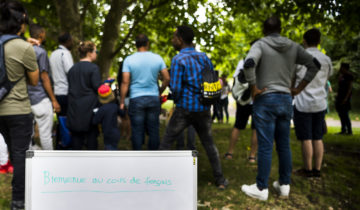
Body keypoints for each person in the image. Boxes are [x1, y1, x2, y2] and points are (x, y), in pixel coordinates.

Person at [240, 16, 320, 200]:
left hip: (265, 98)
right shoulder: (293, 46)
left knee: (266, 145)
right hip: (285, 98)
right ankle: (284, 185)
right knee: (284, 145)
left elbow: (249, 63)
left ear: (263, 30)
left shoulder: (260, 44)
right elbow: (314, 65)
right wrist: (298, 89)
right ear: (281, 29)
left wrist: (254, 87)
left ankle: (261, 188)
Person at [159, 25, 228, 190]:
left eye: (174, 37)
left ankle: (156, 175)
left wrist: (171, 96)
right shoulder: (203, 57)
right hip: (203, 108)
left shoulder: (178, 60)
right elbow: (211, 80)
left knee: (167, 141)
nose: (172, 40)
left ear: (180, 39)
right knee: (209, 144)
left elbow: (175, 88)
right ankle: (220, 180)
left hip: (184, 109)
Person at [0, 1, 39, 209]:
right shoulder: (24, 47)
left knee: (12, 152)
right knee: (21, 156)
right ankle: (18, 201)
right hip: (19, 111)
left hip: (1, 111)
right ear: (21, 22)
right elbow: (34, 80)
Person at [293, 28, 333, 178]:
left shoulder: (299, 58)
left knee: (306, 138)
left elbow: (292, 78)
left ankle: (307, 169)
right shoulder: (326, 59)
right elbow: (327, 79)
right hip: (320, 103)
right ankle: (317, 169)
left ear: (304, 41)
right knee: (318, 137)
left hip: (302, 102)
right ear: (319, 41)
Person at [120, 34, 170, 150]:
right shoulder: (157, 58)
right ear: (147, 44)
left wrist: (122, 101)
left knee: (137, 130)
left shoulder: (129, 60)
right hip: (153, 98)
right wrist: (159, 91)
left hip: (136, 99)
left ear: (135, 45)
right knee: (153, 130)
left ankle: (138, 159)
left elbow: (125, 82)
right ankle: (152, 159)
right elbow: (167, 78)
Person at [28, 24, 60, 150]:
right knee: (46, 136)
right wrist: (53, 100)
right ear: (41, 34)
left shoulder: (24, 50)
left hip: (26, 99)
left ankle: (30, 164)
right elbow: (44, 77)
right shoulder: (40, 52)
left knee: (28, 137)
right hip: (41, 98)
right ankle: (50, 165)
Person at [67, 41, 101, 150]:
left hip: (74, 109)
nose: (96, 53)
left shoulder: (72, 69)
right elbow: (97, 88)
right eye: (96, 51)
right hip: (89, 110)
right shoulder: (93, 68)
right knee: (91, 141)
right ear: (90, 53)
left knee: (76, 142)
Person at [224, 58, 257, 163]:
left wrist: (237, 96)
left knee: (237, 126)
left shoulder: (243, 61)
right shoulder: (264, 61)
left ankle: (230, 153)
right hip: (257, 99)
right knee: (256, 128)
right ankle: (252, 156)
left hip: (243, 100)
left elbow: (236, 80)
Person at [49, 32, 73, 148]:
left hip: (57, 92)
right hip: (66, 92)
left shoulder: (53, 54)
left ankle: (59, 144)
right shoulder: (65, 53)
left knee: (60, 121)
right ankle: (66, 145)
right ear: (67, 41)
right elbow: (71, 72)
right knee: (67, 121)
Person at [93, 84, 125, 150]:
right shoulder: (114, 106)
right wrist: (121, 107)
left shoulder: (101, 109)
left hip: (107, 133)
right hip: (116, 133)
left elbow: (95, 121)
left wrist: (95, 113)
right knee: (114, 147)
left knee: (109, 149)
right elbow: (122, 114)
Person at [335, 63, 353, 135]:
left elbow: (350, 88)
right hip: (339, 97)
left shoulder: (349, 76)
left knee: (345, 114)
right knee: (340, 114)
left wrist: (346, 98)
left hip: (345, 98)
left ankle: (349, 131)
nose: (340, 69)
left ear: (345, 68)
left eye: (341, 67)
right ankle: (343, 130)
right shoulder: (341, 76)